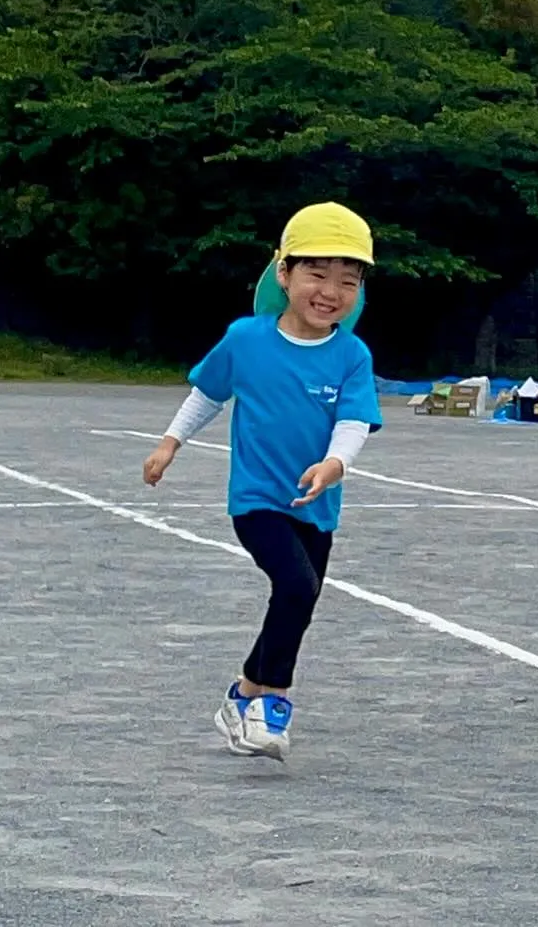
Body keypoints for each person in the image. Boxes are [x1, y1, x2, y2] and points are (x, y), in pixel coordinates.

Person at [141, 202, 382, 763]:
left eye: (348, 280)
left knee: (300, 597)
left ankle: (243, 693)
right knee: (297, 587)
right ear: (283, 273)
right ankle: (274, 704)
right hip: (257, 501)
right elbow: (208, 393)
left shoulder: (352, 354)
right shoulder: (246, 338)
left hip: (316, 505)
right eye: (317, 274)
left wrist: (334, 465)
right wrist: (169, 444)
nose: (331, 291)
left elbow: (353, 421)